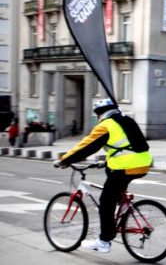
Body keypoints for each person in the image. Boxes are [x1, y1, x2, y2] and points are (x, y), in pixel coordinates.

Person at [54, 99, 152, 253]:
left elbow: (86, 146)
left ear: (100, 113)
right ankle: (123, 205)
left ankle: (104, 241)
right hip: (143, 164)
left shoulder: (105, 125)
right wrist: (105, 163)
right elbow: (125, 147)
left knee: (105, 201)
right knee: (115, 188)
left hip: (126, 167)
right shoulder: (126, 120)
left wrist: (65, 160)